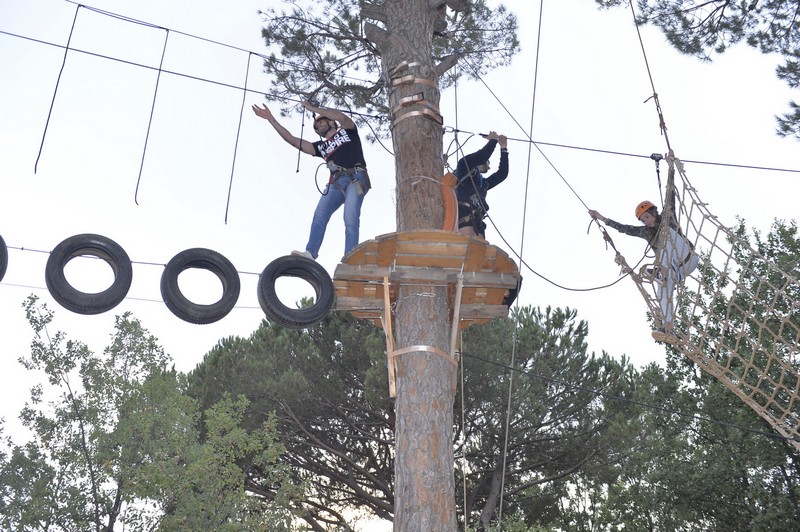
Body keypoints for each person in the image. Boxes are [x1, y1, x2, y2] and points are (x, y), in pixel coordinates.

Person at [252, 100, 370, 260]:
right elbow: (293, 140)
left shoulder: (347, 131)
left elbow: (341, 117)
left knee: (350, 217)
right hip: (336, 183)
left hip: (356, 177)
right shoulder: (321, 147)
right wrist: (271, 119)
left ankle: (350, 258)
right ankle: (310, 252)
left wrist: (312, 108)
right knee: (320, 214)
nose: (317, 125)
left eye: (320, 121)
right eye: (316, 125)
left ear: (331, 122)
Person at [588, 200, 699, 338]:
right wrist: (601, 217)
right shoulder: (646, 232)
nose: (645, 222)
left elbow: (671, 198)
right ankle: (668, 328)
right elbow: (624, 228)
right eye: (642, 220)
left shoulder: (667, 218)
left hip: (688, 257)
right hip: (676, 270)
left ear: (653, 212)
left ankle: (660, 271)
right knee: (662, 290)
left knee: (665, 233)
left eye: (646, 217)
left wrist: (670, 182)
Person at [453, 132, 509, 238]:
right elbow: (483, 156)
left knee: (479, 250)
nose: (489, 167)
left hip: (477, 219)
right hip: (464, 213)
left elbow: (502, 174)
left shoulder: (483, 184)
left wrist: (503, 149)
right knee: (467, 245)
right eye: (488, 163)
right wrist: (493, 140)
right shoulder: (464, 165)